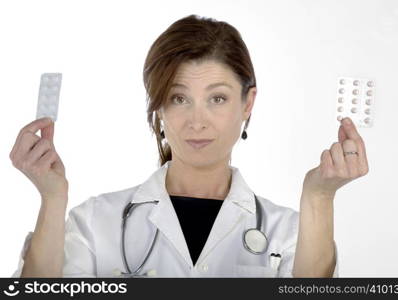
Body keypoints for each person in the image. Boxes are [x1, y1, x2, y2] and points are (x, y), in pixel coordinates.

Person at [9, 14, 369, 278]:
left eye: (217, 99)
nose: (197, 121)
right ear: (158, 105)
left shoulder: (288, 233)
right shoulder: (94, 224)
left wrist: (319, 198)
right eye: (179, 98)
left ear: (248, 103)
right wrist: (52, 199)